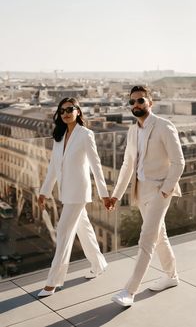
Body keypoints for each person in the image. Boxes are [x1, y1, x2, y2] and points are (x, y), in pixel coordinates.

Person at [110, 86, 185, 306]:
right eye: (132, 102)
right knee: (159, 235)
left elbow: (179, 162)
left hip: (160, 191)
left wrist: (165, 190)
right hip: (140, 190)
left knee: (146, 238)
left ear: (150, 102)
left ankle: (129, 291)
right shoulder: (132, 130)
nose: (136, 105)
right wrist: (116, 195)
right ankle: (171, 276)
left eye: (140, 100)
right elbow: (127, 165)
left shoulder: (163, 126)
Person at [37, 97, 109, 297]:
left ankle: (53, 282)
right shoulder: (59, 137)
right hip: (65, 191)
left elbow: (96, 165)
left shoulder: (86, 134)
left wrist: (104, 195)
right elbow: (53, 167)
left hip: (78, 192)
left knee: (63, 232)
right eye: (62, 111)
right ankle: (99, 263)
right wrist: (44, 191)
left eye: (70, 109)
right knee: (83, 228)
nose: (66, 113)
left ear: (78, 111)